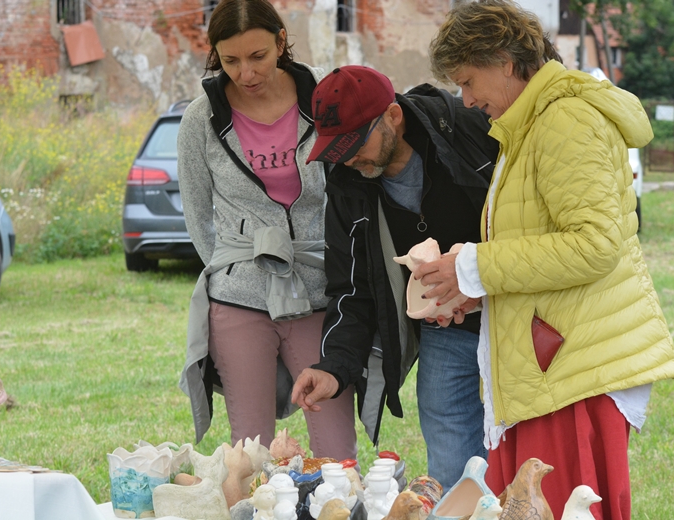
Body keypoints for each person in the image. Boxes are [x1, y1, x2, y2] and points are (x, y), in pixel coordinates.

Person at [419, 1, 674, 518]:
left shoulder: (564, 119)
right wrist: (472, 290)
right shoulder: (533, 122)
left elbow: (593, 245)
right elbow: (548, 247)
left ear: (505, 61)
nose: (467, 100)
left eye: (469, 81)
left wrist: (473, 267)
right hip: (553, 363)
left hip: (572, 369)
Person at [290, 65, 500, 490]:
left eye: (354, 143)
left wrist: (478, 283)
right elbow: (351, 289)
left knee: (522, 458)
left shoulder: (468, 128)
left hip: (514, 316)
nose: (347, 158)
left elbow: (528, 222)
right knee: (451, 469)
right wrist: (334, 367)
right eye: (336, 148)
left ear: (393, 116)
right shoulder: (347, 181)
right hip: (445, 333)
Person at [176, 0, 356, 461]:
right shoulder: (201, 118)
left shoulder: (323, 95)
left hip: (319, 287)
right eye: (230, 60)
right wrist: (231, 269)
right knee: (251, 452)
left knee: (335, 447)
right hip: (239, 298)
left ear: (280, 42)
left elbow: (356, 184)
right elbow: (197, 213)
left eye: (257, 56)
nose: (246, 72)